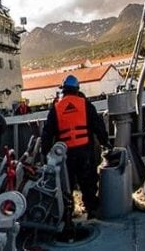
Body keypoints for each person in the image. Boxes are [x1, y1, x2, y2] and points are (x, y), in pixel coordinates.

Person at [41, 75, 110, 222]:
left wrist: (45, 153)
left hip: (66, 155)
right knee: (88, 181)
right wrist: (105, 142)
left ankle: (67, 214)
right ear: (77, 89)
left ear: (64, 90)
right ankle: (91, 211)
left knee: (67, 184)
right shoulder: (85, 104)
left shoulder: (56, 107)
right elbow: (98, 125)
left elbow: (47, 133)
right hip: (85, 151)